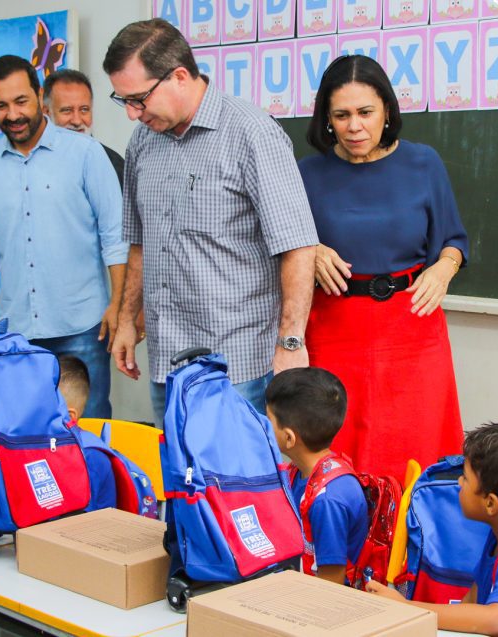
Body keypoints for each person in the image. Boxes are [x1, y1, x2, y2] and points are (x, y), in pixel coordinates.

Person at [103, 19, 318, 426]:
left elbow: (297, 245)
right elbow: (138, 241)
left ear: (180, 76)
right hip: (167, 360)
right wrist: (128, 321)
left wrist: (291, 342)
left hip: (235, 367)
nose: (132, 113)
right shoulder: (144, 141)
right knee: (180, 483)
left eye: (139, 98)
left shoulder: (252, 134)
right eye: (124, 100)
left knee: (232, 486)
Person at [297, 54, 469, 479]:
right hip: (333, 330)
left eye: (365, 112)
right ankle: (347, 544)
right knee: (338, 452)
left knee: (418, 448)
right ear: (327, 119)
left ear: (387, 111)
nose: (355, 126)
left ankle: (413, 544)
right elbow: (279, 242)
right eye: (342, 115)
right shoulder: (306, 174)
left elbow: (455, 240)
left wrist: (444, 268)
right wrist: (310, 248)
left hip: (412, 327)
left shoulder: (423, 163)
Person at [0, 55, 128, 419]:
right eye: (0, 106)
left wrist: (120, 306)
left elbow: (115, 236)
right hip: (17, 331)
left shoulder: (85, 153)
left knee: (89, 430)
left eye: (21, 101)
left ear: (39, 97)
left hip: (83, 327)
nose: (12, 114)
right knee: (25, 431)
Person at [367, 421, 498, 637]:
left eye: (466, 478)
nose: (459, 483)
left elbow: (496, 621)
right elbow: (472, 601)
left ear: (491, 504)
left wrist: (408, 609)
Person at [265, 367, 368, 584]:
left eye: (268, 421)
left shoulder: (327, 500)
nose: (263, 427)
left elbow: (332, 583)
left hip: (326, 601)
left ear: (289, 438)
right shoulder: (301, 472)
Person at [42, 68, 125, 186]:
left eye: (84, 110)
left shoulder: (113, 165)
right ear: (46, 112)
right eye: (67, 110)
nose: (77, 121)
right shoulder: (32, 160)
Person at [57, 355, 116, 511]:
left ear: (69, 417)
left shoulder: (89, 456)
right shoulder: (48, 447)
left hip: (90, 529)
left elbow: (80, 517)